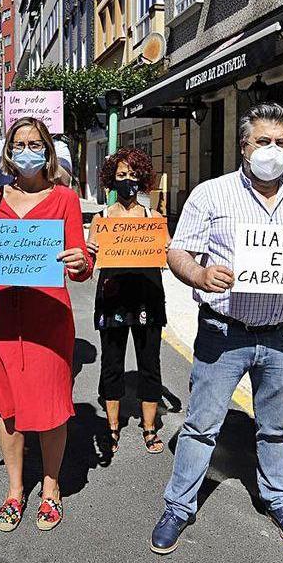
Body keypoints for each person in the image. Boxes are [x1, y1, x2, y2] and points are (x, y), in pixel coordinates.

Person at [150, 103, 283, 555]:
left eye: (282, 142)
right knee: (201, 426)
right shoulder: (211, 194)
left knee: (277, 428)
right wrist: (199, 276)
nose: (273, 151)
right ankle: (178, 507)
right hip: (224, 333)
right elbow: (178, 251)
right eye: (263, 141)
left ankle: (280, 501)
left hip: (281, 335)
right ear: (244, 146)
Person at [0, 116, 92, 532]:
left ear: (48, 151)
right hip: (2, 319)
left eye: (36, 143)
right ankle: (15, 490)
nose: (27, 150)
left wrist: (83, 263)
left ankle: (51, 489)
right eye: (20, 143)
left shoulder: (65, 197)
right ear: (9, 152)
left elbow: (80, 260)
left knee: (51, 409)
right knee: (7, 409)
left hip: (49, 318)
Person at [85, 147, 167, 456]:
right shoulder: (101, 219)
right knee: (112, 363)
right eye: (121, 175)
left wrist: (167, 248)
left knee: (149, 363)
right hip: (112, 299)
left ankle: (149, 428)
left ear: (142, 179)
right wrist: (88, 253)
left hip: (148, 297)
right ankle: (112, 427)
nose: (127, 181)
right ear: (110, 180)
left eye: (133, 175)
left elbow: (166, 256)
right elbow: (88, 264)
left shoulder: (154, 218)